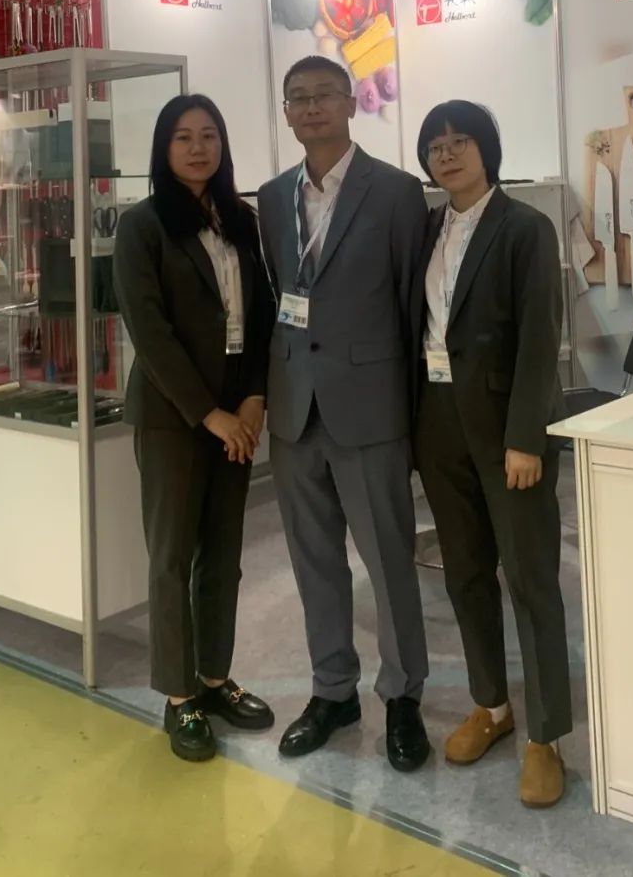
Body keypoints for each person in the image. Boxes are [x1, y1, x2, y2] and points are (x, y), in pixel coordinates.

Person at [257, 56, 431, 772]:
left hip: (370, 408)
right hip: (296, 407)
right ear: (286, 112)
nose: (311, 107)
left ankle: (403, 696)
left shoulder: (396, 192)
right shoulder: (272, 198)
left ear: (351, 102)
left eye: (324, 95)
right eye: (297, 98)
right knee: (314, 561)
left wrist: (411, 417)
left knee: (388, 561)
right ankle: (333, 691)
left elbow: (411, 308)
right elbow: (282, 294)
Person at [412, 101, 571, 808]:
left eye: (460, 142)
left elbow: (541, 337)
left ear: (487, 150)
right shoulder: (426, 230)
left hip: (508, 428)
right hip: (438, 422)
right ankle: (492, 706)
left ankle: (546, 736)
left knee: (530, 579)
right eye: (435, 146)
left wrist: (526, 437)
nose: (447, 155)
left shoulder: (524, 228)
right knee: (466, 573)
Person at [114, 95, 276, 763]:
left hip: (238, 409)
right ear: (164, 148)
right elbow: (149, 331)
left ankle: (214, 678)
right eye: (183, 137)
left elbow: (262, 316)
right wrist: (209, 414)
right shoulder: (143, 225)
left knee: (224, 554)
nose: (198, 147)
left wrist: (254, 400)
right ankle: (179, 696)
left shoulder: (242, 220)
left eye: (209, 135)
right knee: (172, 557)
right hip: (174, 416)